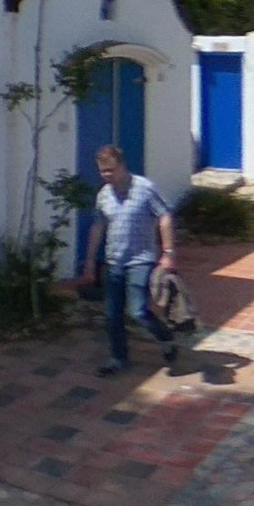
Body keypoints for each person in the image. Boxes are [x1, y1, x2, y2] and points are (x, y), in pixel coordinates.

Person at [80, 147, 173, 375]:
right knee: (112, 315)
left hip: (141, 260)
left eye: (110, 170)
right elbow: (98, 226)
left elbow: (164, 216)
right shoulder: (103, 195)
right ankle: (118, 358)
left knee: (137, 311)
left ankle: (164, 336)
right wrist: (90, 260)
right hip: (114, 261)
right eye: (102, 171)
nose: (107, 175)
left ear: (122, 166)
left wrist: (168, 252)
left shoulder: (145, 188)